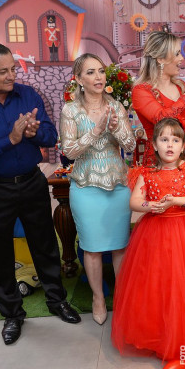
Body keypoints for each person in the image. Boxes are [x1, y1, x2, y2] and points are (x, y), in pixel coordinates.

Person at [0, 42, 80, 345]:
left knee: (45, 244)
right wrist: (10, 138)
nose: (11, 75)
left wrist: (35, 133)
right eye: (2, 71)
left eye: (13, 68)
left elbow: (50, 135)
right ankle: (11, 314)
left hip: (32, 181)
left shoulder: (28, 94)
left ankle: (57, 300)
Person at [111, 118, 185, 369]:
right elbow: (134, 202)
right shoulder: (145, 173)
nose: (170, 145)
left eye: (175, 140)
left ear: (183, 145)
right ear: (154, 145)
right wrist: (151, 206)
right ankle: (166, 340)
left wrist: (175, 200)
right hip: (155, 236)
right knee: (160, 286)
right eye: (164, 140)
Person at [59, 53, 135, 325]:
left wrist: (115, 129)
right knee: (91, 247)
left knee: (120, 246)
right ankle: (98, 298)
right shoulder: (70, 111)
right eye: (90, 72)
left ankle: (123, 297)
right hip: (85, 186)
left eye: (101, 71)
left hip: (118, 186)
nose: (98, 77)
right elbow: (69, 151)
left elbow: (130, 145)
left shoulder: (116, 106)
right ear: (79, 79)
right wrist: (95, 131)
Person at [131, 31, 185, 165]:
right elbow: (163, 119)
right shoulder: (141, 90)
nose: (182, 58)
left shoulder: (181, 86)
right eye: (177, 54)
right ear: (160, 59)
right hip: (159, 164)